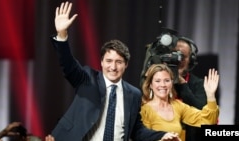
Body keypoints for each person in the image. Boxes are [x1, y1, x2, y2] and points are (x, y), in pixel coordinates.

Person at [49, 1, 181, 141]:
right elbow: (68, 64)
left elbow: (137, 131)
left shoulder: (134, 94)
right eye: (109, 61)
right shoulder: (87, 79)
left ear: (126, 65)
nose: (113, 67)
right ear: (101, 62)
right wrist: (62, 34)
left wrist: (162, 135)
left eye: (119, 62)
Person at [140, 64, 219, 141]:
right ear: (150, 84)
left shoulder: (178, 106)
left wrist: (210, 95)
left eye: (167, 80)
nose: (163, 85)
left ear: (172, 83)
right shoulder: (144, 110)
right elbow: (142, 137)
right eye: (158, 81)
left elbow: (207, 120)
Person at [173, 37, 209, 141]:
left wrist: (182, 84)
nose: (178, 60)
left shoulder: (199, 84)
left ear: (191, 60)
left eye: (182, 56)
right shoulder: (158, 83)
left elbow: (202, 112)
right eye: (175, 54)